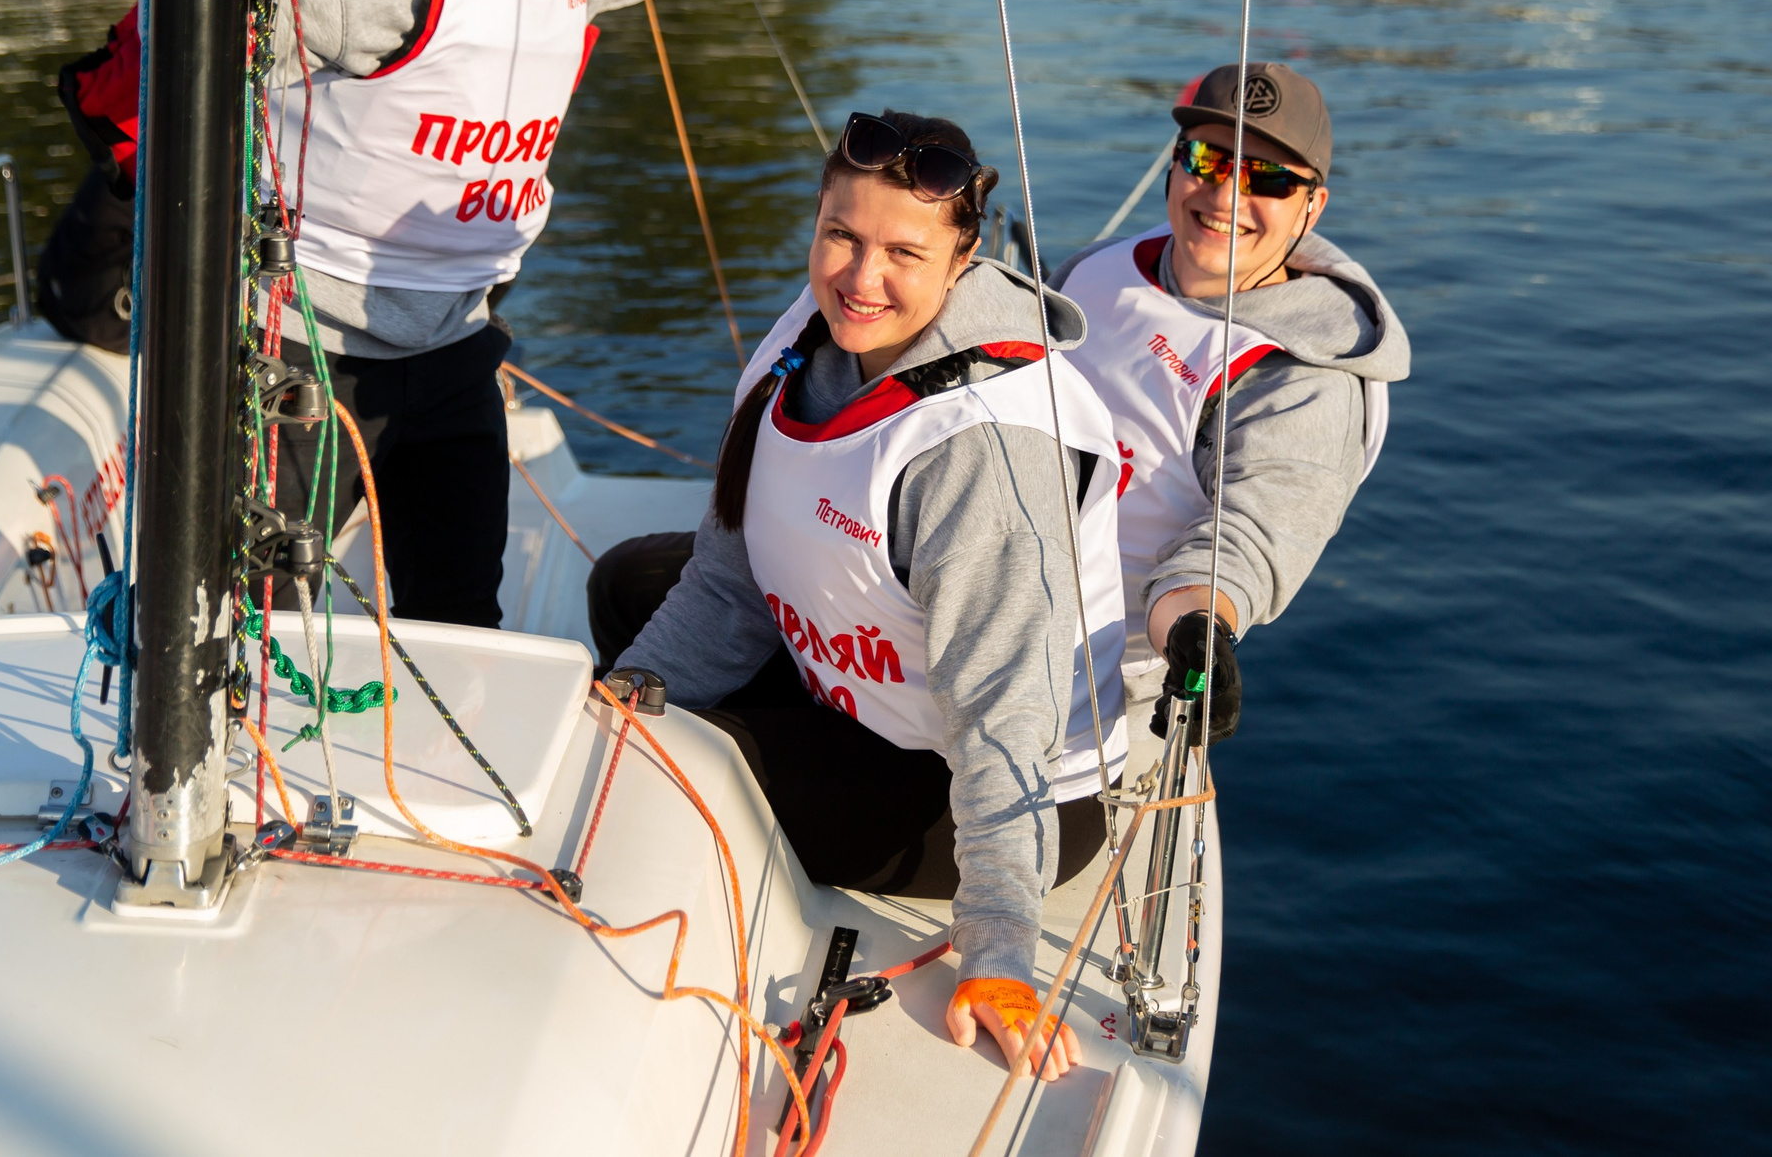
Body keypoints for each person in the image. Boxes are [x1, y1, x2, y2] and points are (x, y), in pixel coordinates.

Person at [592, 110, 1126, 1083]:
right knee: (627, 590)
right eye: (841, 234)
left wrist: (1001, 952)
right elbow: (726, 577)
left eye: (901, 252)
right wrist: (628, 695)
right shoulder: (807, 336)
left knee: (691, 770)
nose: (859, 277)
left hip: (968, 784)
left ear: (962, 261)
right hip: (859, 690)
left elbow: (1003, 716)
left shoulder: (982, 451)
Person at [260, 0, 803, 627]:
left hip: (457, 343)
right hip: (310, 346)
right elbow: (235, 39)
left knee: (464, 617)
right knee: (252, 617)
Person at [1052, 63, 1409, 741]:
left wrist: (1198, 626)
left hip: (1087, 703)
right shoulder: (1095, 268)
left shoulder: (1303, 379)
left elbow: (1247, 540)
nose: (1224, 194)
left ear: (1314, 204)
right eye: (1208, 158)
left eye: (1267, 178)